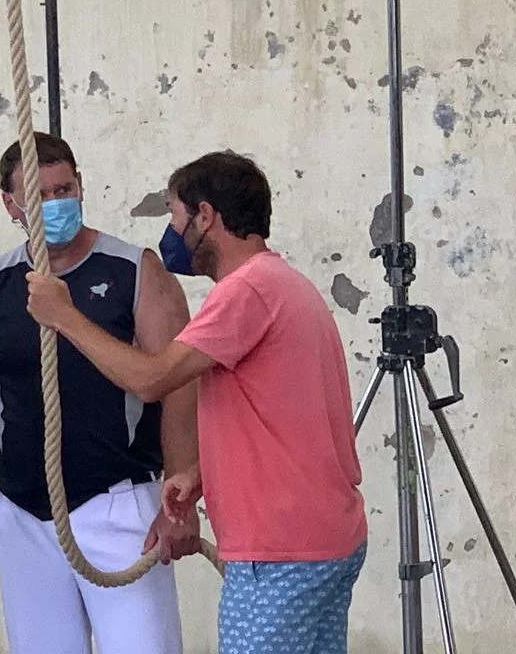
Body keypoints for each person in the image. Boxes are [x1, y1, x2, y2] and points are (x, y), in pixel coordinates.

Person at [24, 150, 368, 653]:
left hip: (279, 553)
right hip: (325, 540)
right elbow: (284, 421)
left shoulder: (246, 291)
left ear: (204, 216)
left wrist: (64, 316)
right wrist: (202, 476)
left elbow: (151, 380)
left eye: (174, 214)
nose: (171, 231)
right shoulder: (285, 286)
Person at [0, 132, 200, 654]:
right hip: (24, 512)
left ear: (81, 186)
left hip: (118, 504)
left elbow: (180, 388)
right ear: (11, 205)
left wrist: (179, 497)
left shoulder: (134, 272)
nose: (56, 203)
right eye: (40, 196)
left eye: (64, 190)